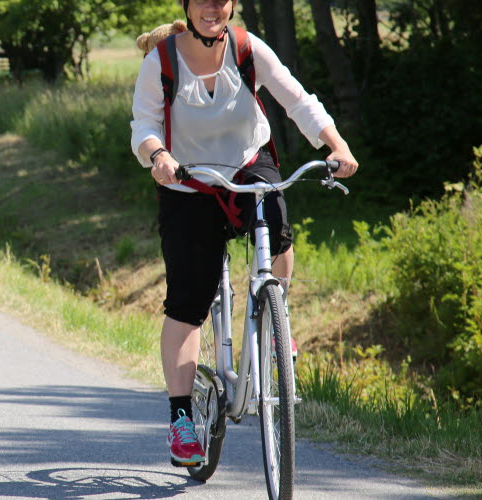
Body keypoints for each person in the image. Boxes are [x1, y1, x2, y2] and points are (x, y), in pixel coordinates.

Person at [129, 0, 359, 466]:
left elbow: (297, 100)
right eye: (203, 1)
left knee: (277, 232)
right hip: (186, 181)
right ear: (187, 7)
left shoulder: (247, 48)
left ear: (231, 7)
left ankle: (278, 317)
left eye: (221, 1)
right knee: (188, 302)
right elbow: (145, 127)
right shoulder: (162, 62)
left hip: (247, 164)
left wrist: (336, 144)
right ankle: (181, 422)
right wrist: (159, 158)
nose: (212, 8)